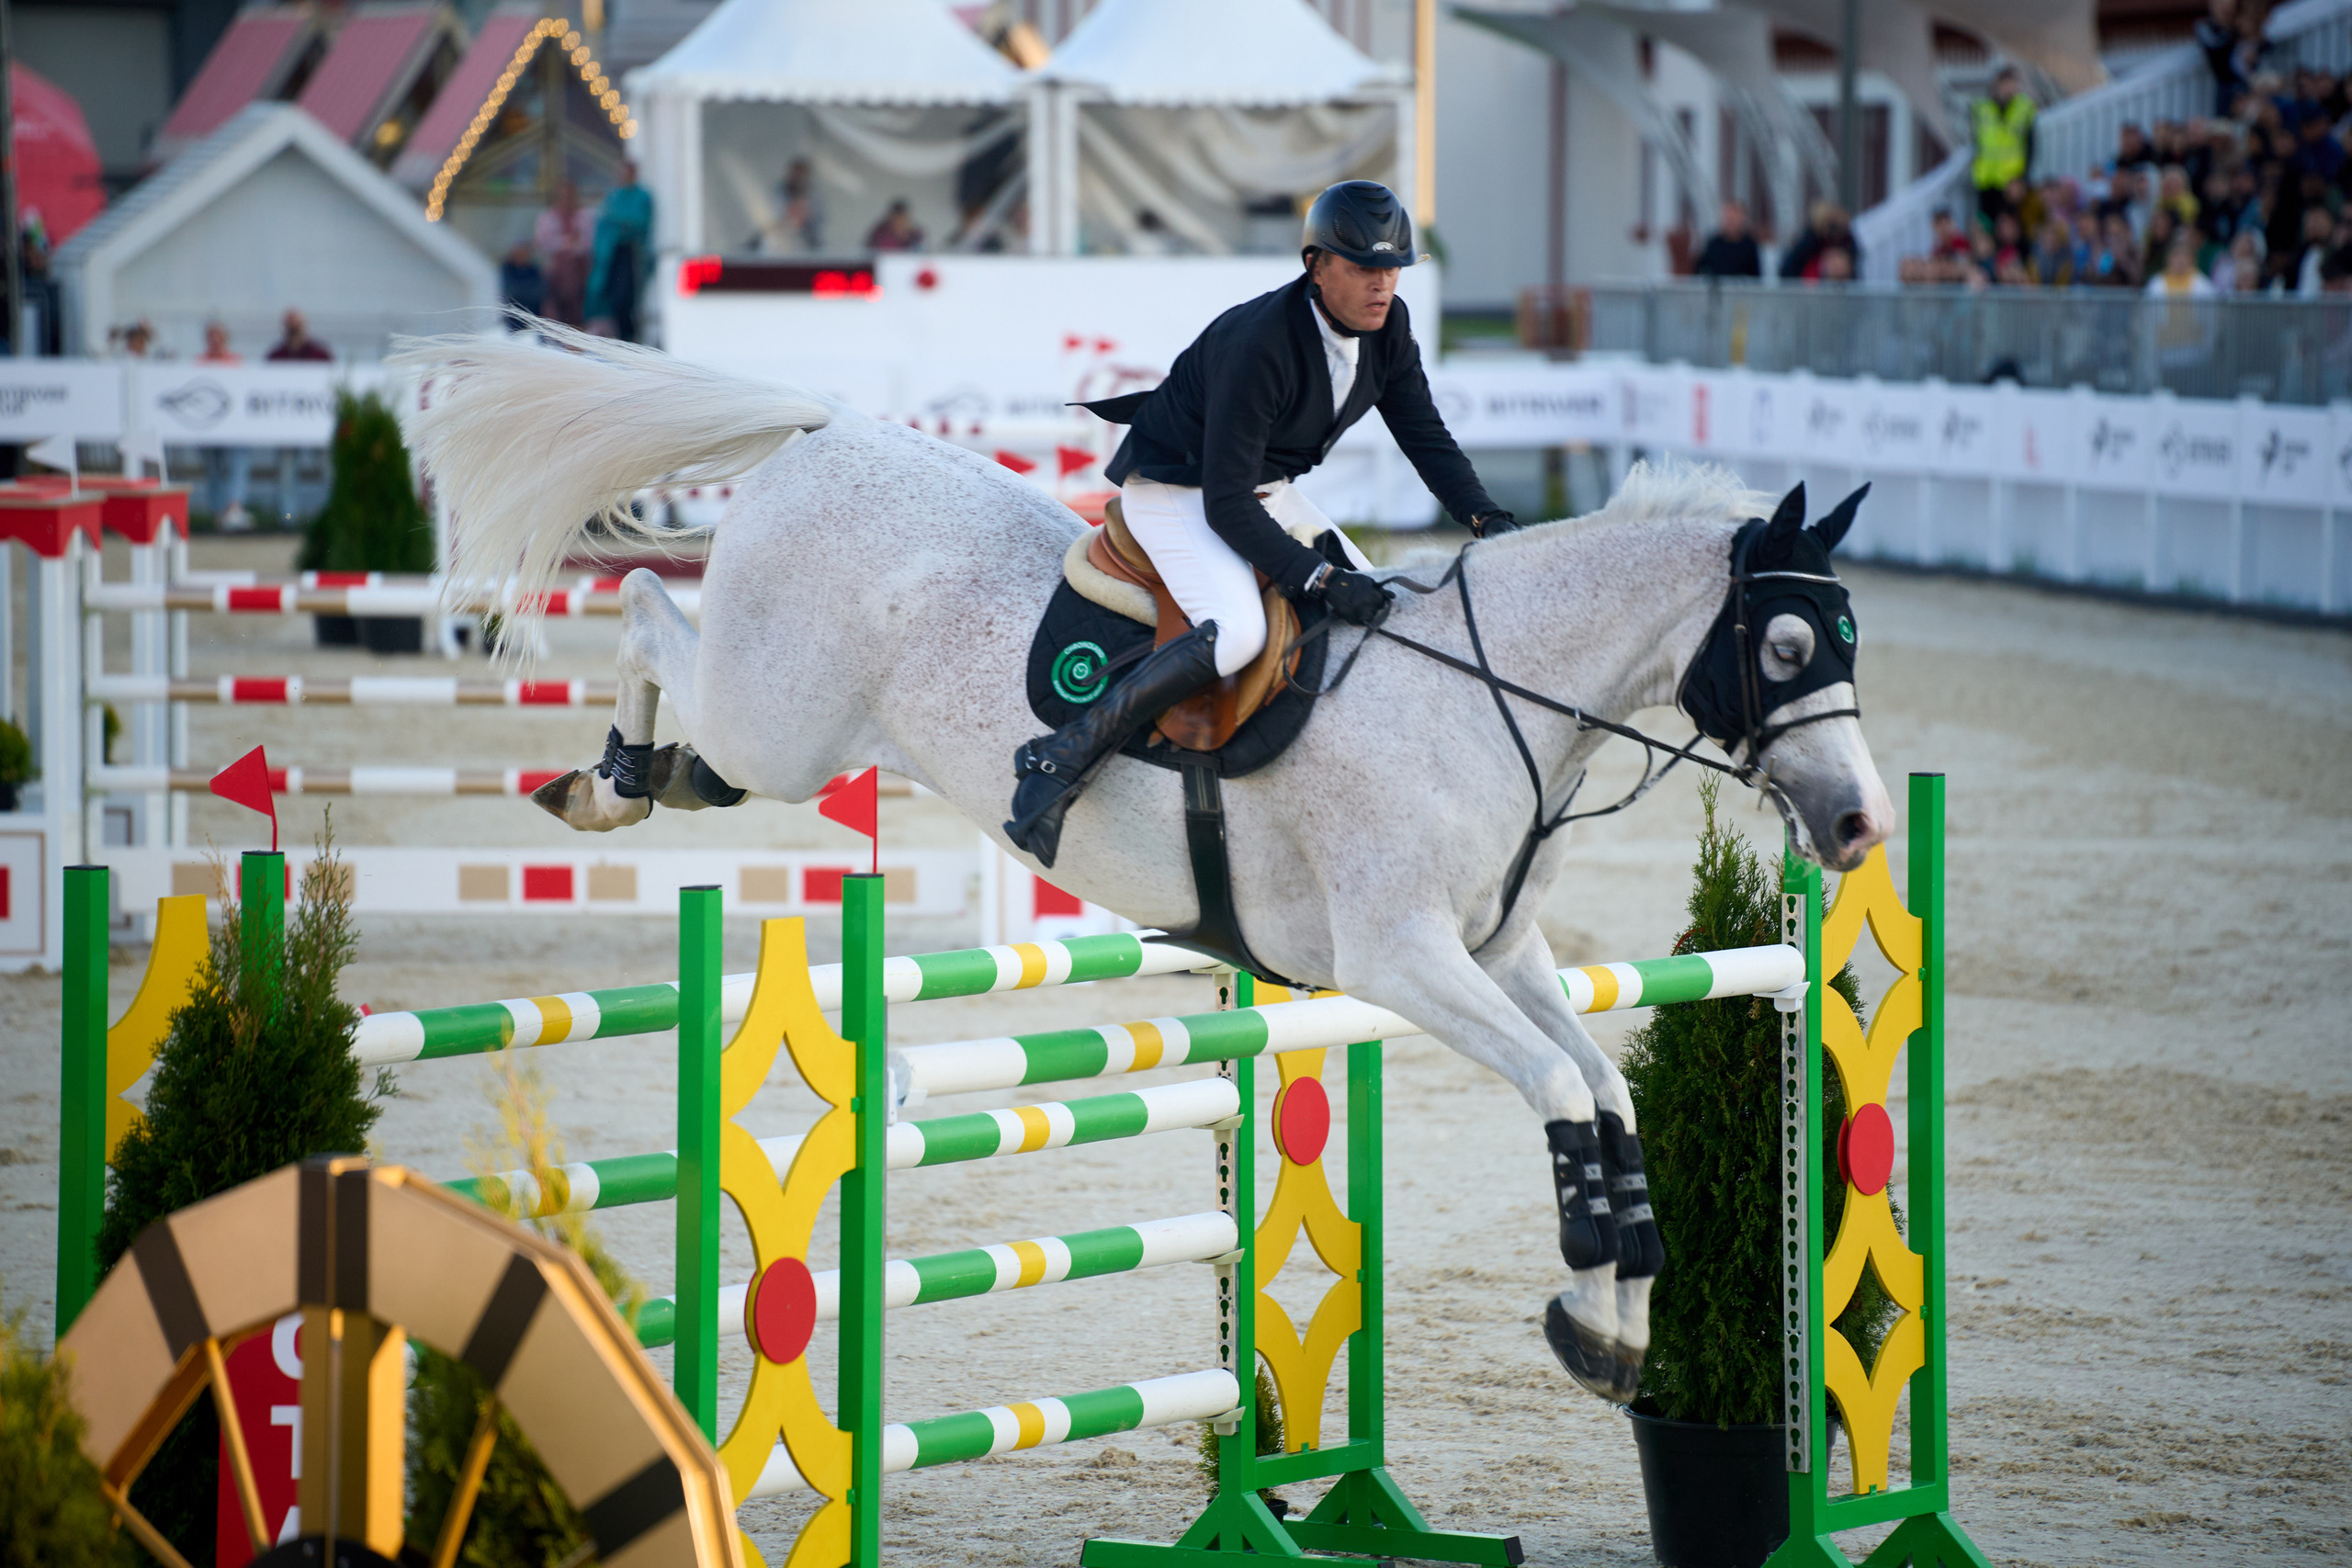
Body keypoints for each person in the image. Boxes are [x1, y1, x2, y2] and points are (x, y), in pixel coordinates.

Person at [1003, 180, 1518, 864]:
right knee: (1237, 632)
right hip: (1180, 489)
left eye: (1393, 268)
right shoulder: (1261, 342)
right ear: (1316, 266)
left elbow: (1425, 436)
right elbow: (1225, 504)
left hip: (1259, 489)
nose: (1382, 284)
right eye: (1364, 267)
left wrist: (1489, 519)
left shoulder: (1388, 327)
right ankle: (1059, 758)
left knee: (1382, 610)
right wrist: (1319, 577)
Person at [586, 162, 654, 343]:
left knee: (627, 298)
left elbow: (638, 222)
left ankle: (629, 336)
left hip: (630, 252)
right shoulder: (614, 196)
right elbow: (605, 222)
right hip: (611, 253)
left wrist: (618, 223)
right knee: (610, 296)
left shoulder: (642, 197)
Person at [196, 321, 252, 531]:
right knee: (213, 469)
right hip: (207, 430)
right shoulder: (199, 363)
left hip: (233, 429)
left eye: (219, 337)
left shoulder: (236, 362)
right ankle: (218, 512)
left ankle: (234, 507)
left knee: (239, 460)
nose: (216, 342)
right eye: (212, 337)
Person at [1971, 67, 2037, 229]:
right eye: (2006, 84)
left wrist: (2022, 178)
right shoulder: (1982, 108)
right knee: (1986, 224)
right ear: (1997, 85)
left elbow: (2031, 146)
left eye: (2013, 85)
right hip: (1986, 178)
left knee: (2009, 225)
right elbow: (1976, 142)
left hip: (2011, 178)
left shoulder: (2024, 108)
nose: (2009, 89)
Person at [535, 179, 592, 325]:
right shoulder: (548, 218)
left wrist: (567, 244)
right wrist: (567, 242)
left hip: (579, 275)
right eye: (562, 196)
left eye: (569, 195)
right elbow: (543, 243)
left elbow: (588, 243)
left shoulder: (583, 216)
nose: (566, 200)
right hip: (555, 274)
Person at [1691, 200, 1762, 278]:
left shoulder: (1750, 245)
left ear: (1742, 219)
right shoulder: (1714, 243)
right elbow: (1700, 269)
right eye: (1728, 218)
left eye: (1734, 218)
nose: (1731, 222)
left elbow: (1755, 276)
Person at [266, 309, 332, 362]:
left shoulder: (319, 355)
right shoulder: (277, 356)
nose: (293, 329)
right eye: (290, 327)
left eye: (297, 326)